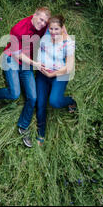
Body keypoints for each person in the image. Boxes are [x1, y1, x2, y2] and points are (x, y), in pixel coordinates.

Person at [0, 7, 51, 147]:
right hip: (12, 59)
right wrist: (35, 64)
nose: (43, 24)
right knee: (14, 94)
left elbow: (58, 26)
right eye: (41, 19)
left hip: (26, 65)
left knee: (33, 97)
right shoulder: (18, 28)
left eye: (45, 22)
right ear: (35, 14)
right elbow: (16, 54)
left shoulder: (43, 27)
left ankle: (23, 126)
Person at [35, 15, 77, 146]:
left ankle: (71, 101)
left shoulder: (68, 43)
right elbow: (38, 57)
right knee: (40, 103)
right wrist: (42, 69)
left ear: (62, 29)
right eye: (51, 29)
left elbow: (69, 68)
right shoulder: (45, 38)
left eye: (56, 29)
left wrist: (53, 74)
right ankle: (41, 133)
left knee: (54, 101)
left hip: (60, 74)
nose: (53, 32)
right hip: (43, 74)